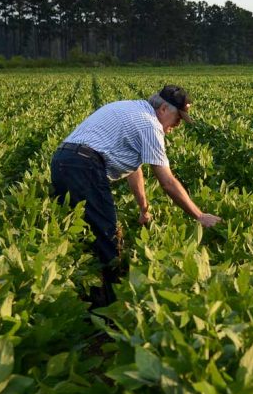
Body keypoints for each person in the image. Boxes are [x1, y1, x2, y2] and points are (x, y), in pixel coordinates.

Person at [50, 84, 222, 307]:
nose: (178, 125)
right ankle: (111, 307)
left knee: (79, 231)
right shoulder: (149, 124)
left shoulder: (132, 109)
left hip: (63, 161)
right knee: (107, 237)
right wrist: (199, 215)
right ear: (163, 110)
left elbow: (134, 169)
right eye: (178, 118)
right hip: (84, 166)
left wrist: (144, 209)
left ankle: (79, 294)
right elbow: (167, 181)